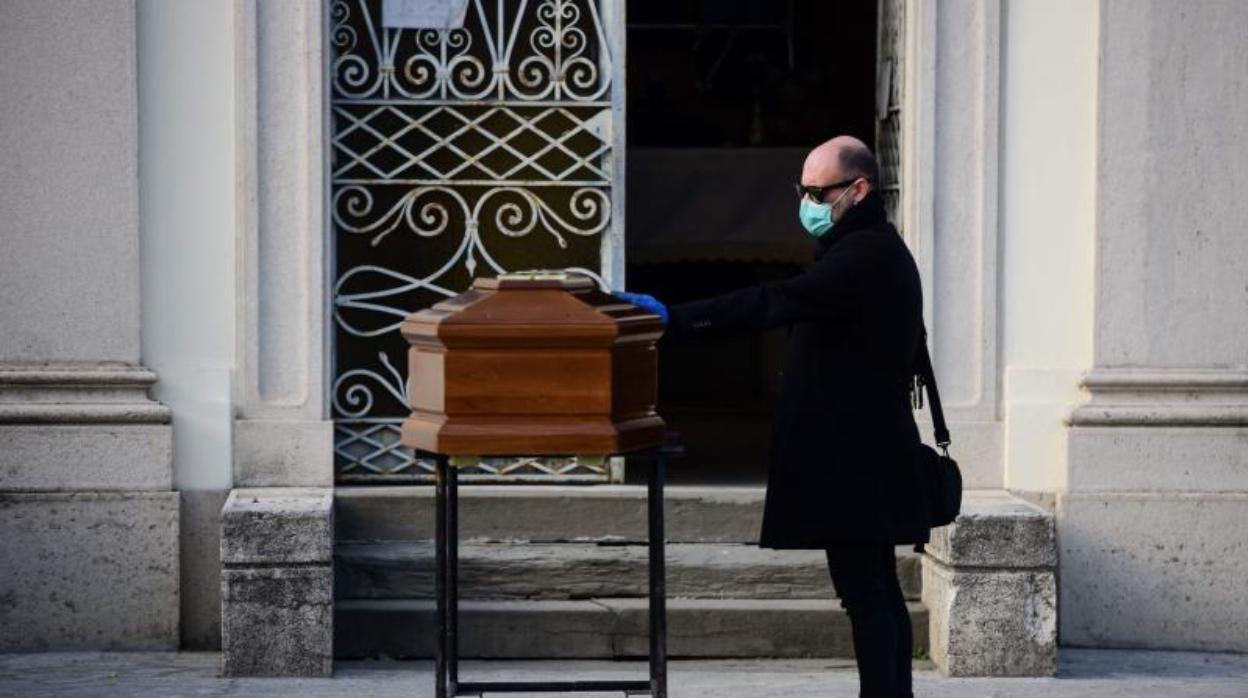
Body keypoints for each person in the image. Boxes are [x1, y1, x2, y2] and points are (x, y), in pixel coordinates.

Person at [617, 136, 929, 698]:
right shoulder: (871, 246)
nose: (806, 201)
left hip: (859, 458)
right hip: (866, 451)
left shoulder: (865, 256)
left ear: (858, 190)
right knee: (874, 588)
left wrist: (676, 318)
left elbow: (774, 301)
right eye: (800, 190)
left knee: (868, 592)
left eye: (816, 192)